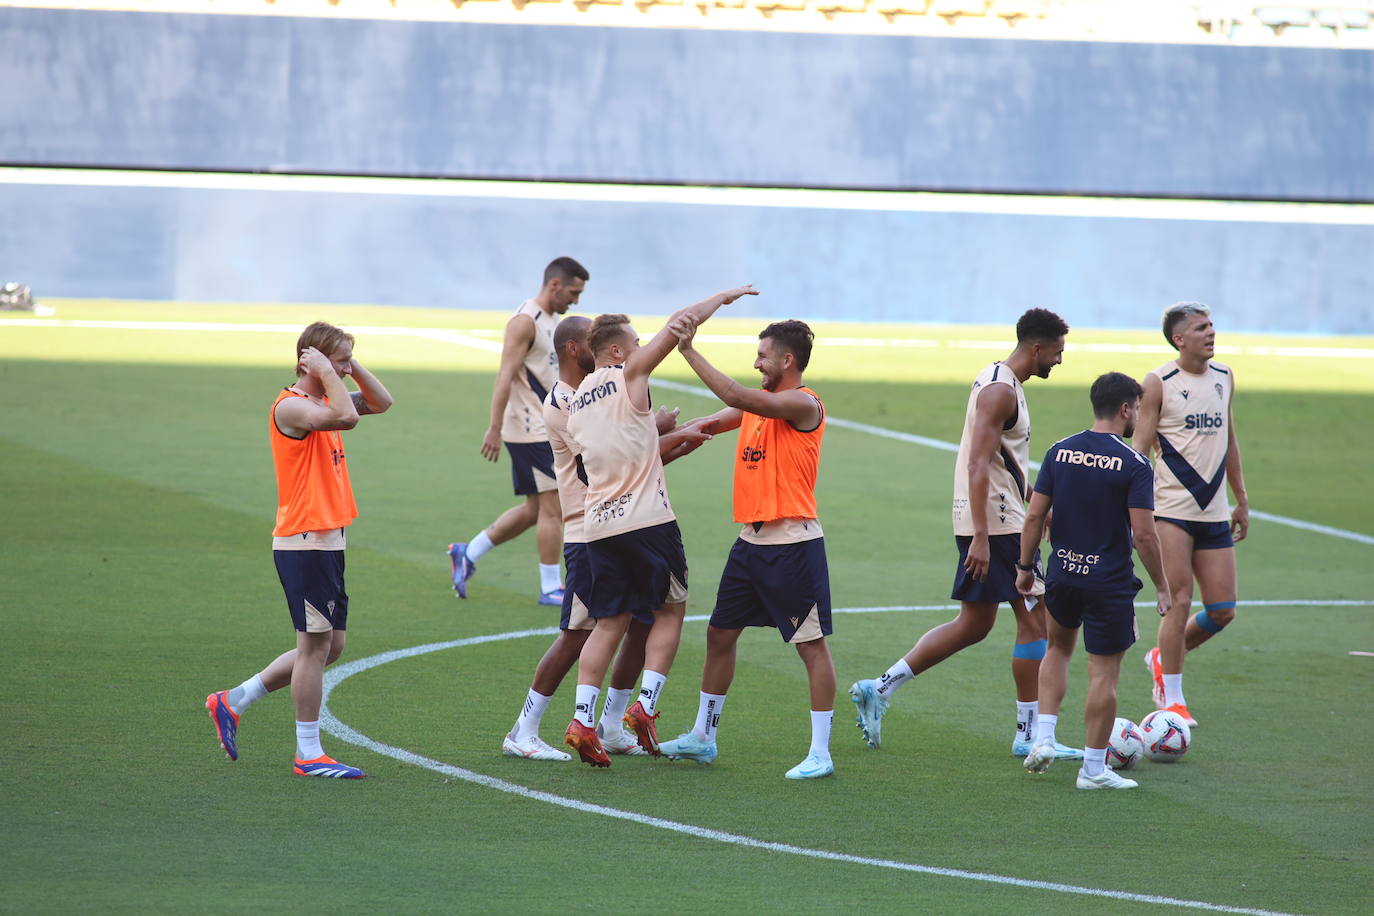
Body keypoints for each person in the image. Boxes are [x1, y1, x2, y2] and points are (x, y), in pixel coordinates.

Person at [850, 308, 1082, 761]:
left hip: (1000, 517)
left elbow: (1002, 462)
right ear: (1037, 348)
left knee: (975, 624)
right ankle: (1030, 733)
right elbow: (978, 463)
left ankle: (879, 688)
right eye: (1056, 352)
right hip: (996, 525)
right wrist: (980, 534)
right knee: (1035, 621)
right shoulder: (999, 391)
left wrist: (1035, 503)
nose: (1058, 361)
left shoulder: (1000, 382)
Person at [561, 285, 759, 767]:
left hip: (598, 527)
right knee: (670, 611)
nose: (640, 346)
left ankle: (582, 720)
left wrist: (663, 432)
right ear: (615, 350)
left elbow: (618, 446)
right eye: (634, 342)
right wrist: (720, 299)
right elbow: (678, 322)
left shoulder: (578, 399)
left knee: (609, 623)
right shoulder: (631, 372)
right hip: (648, 521)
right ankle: (645, 708)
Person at [502, 315, 712, 760]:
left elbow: (623, 460)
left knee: (641, 622)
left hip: (615, 519)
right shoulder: (564, 403)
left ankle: (613, 725)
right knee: (579, 633)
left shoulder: (587, 394)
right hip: (587, 531)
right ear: (577, 349)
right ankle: (525, 728)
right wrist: (665, 435)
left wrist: (661, 434)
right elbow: (597, 469)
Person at [206, 321, 393, 778]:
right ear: (311, 362)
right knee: (313, 648)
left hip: (327, 539)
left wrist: (346, 365)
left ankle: (233, 700)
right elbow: (347, 417)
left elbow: (382, 403)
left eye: (350, 359)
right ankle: (308, 753)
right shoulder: (291, 408)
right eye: (341, 360)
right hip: (304, 540)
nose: (347, 369)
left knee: (332, 647)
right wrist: (331, 370)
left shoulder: (325, 397)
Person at [656, 318, 838, 780]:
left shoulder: (801, 404)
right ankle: (703, 737)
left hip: (793, 544)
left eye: (762, 356)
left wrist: (688, 351)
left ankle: (821, 752)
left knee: (810, 647)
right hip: (750, 543)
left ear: (787, 361)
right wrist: (654, 442)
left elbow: (736, 398)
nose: (757, 362)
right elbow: (713, 420)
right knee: (719, 634)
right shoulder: (762, 406)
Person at [1018, 372, 1171, 790]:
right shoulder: (1135, 464)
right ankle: (1092, 769)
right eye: (1137, 409)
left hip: (1063, 574)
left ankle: (1045, 738)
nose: (1139, 416)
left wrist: (1024, 566)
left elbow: (1034, 516)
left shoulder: (1059, 451)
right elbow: (1143, 534)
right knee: (1104, 673)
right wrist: (1161, 585)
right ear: (1125, 409)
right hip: (1109, 583)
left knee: (1058, 649)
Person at [1131, 302, 1249, 727]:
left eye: (1212, 325)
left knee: (1222, 610)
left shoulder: (1224, 378)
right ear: (1180, 339)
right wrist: (1133, 511)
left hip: (1214, 512)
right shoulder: (1159, 382)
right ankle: (1173, 699)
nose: (1211, 333)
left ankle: (1161, 658)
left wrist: (1242, 498)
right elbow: (1139, 451)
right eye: (1202, 328)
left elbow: (1229, 438)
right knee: (1179, 601)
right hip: (1170, 510)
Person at [448, 257, 589, 606]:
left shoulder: (552, 320)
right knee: (554, 507)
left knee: (534, 510)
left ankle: (468, 552)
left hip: (544, 425)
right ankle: (550, 587)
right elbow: (504, 375)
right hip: (530, 428)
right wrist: (494, 427)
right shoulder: (525, 322)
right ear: (555, 284)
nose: (575, 301)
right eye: (573, 292)